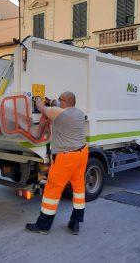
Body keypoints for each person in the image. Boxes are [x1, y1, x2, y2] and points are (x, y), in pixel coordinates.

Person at [26, 91, 88, 235]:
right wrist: (53, 102)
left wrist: (38, 98)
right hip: (82, 154)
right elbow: (56, 108)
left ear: (65, 102)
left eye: (60, 100)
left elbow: (41, 107)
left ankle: (43, 226)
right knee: (78, 189)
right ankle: (75, 224)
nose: (58, 102)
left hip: (65, 158)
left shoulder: (59, 113)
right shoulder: (79, 113)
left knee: (52, 191)